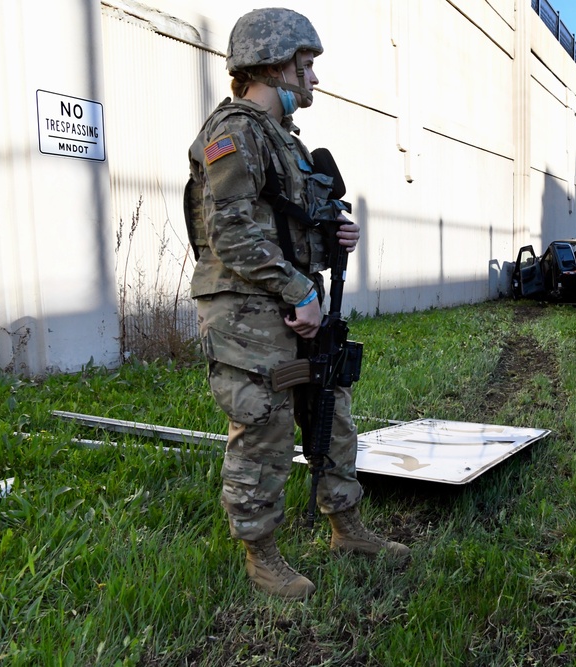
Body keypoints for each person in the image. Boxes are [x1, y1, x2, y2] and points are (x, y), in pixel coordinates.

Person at [188, 7, 409, 600]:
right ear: (273, 65)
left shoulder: (286, 142)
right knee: (263, 422)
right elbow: (230, 232)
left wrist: (335, 235)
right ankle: (262, 555)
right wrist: (300, 290)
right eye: (305, 66)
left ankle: (347, 527)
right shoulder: (233, 133)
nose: (313, 78)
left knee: (331, 410)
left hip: (292, 302)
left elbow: (288, 224)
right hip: (248, 309)